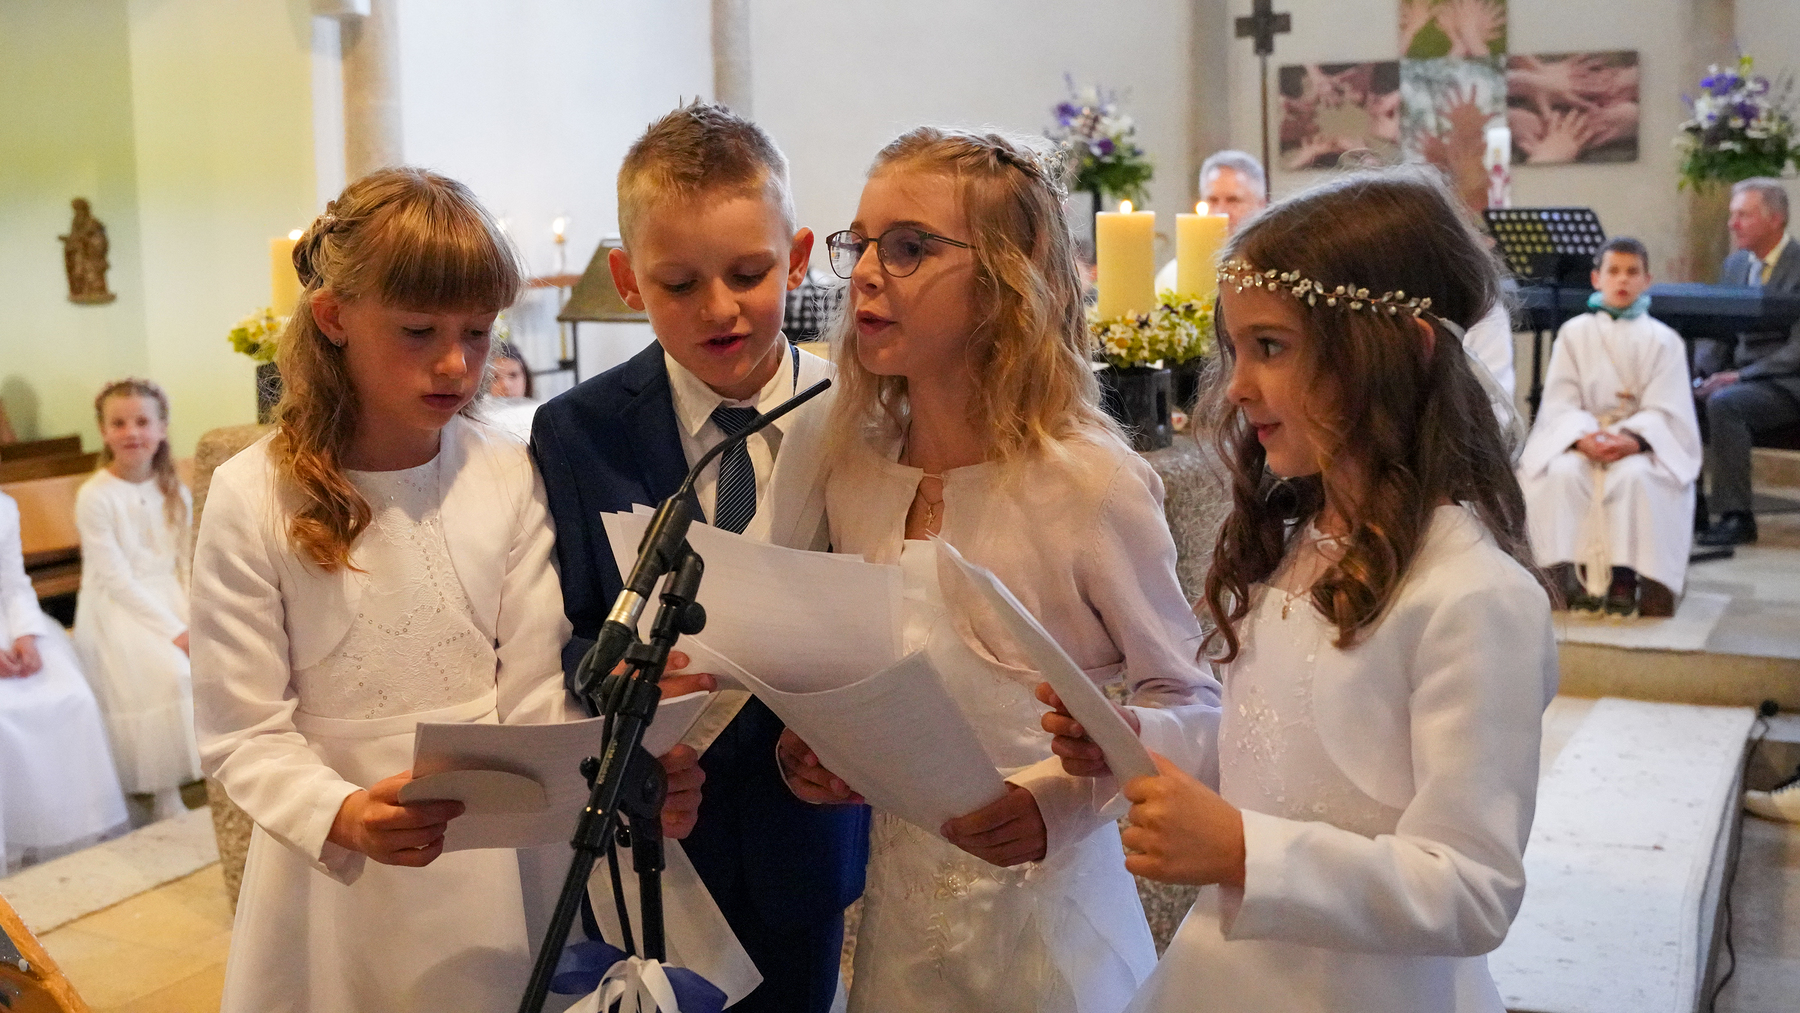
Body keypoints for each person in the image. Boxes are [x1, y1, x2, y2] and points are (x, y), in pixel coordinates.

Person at [191, 167, 701, 1012]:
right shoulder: (254, 494)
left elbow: (534, 689)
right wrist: (342, 813)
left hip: (497, 863)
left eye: (477, 330)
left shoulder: (503, 470)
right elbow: (241, 730)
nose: (457, 362)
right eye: (419, 330)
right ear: (334, 317)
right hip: (337, 873)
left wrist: (617, 777)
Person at [1048, 167, 1556, 1012]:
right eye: (1236, 348)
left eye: (1271, 347)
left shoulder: (1473, 596)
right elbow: (1276, 753)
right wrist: (1141, 739)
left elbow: (1472, 886)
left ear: (1399, 351)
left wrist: (1244, 851)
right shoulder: (1298, 546)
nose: (1237, 386)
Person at [780, 127, 1221, 1013]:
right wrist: (812, 751)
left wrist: (1059, 801)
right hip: (902, 943)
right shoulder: (853, 468)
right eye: (860, 244)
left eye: (908, 247)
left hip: (1049, 942)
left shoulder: (1088, 485)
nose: (864, 274)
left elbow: (1196, 708)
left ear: (1005, 282)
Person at [531, 102, 866, 1013]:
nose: (719, 308)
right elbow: (564, 629)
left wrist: (853, 740)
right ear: (625, 279)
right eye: (678, 283)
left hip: (805, 829)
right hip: (655, 838)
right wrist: (614, 685)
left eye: (749, 274)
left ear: (797, 257)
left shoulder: (859, 414)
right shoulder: (577, 431)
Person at [1516, 237, 1700, 616]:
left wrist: (1632, 440)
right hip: (1584, 440)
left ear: (1647, 280)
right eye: (1613, 271)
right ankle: (1566, 580)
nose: (1623, 280)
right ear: (1596, 279)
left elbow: (1668, 409)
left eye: (1632, 272)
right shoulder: (1574, 333)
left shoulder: (1665, 341)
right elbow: (1560, 402)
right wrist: (1583, 438)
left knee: (1635, 479)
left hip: (1638, 447)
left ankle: (1624, 578)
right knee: (1562, 474)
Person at [73, 378, 201, 822]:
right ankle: (163, 791)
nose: (132, 432)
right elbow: (115, 578)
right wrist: (175, 631)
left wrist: (197, 617)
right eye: (119, 423)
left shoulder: (174, 490)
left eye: (143, 422)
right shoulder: (95, 495)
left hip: (172, 596)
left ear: (162, 428)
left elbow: (186, 562)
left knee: (213, 666)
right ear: (103, 431)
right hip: (119, 608)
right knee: (168, 675)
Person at [0, 490, 127, 872]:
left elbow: (14, 584)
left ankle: (74, 827)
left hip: (10, 625)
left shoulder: (4, 508)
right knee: (7, 715)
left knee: (73, 697)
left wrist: (25, 636)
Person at [1696, 177, 1800, 547]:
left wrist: (1739, 377)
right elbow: (1718, 332)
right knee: (1682, 396)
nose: (1732, 224)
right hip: (1740, 378)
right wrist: (1702, 374)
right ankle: (1692, 509)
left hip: (1786, 382)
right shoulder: (1736, 265)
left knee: (1726, 404)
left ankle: (1737, 517)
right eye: (1732, 214)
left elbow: (1797, 350)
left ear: (1775, 219)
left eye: (1743, 215)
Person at [1153, 150, 1269, 290]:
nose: (1221, 212)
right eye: (1213, 200)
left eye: (1233, 200)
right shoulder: (1172, 275)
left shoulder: (1273, 270)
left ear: (1261, 204)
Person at [483, 337, 539, 441]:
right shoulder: (481, 424)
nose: (505, 385)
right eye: (495, 378)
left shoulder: (541, 414)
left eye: (513, 375)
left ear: (525, 377)